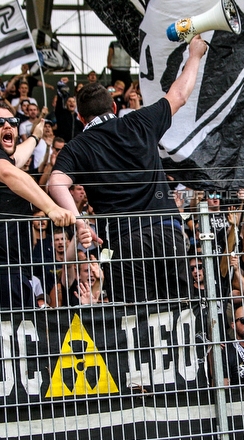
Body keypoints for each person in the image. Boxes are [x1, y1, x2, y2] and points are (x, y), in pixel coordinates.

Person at [48, 35, 208, 304]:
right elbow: (179, 94)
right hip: (167, 232)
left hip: (124, 243)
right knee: (182, 315)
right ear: (113, 107)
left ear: (80, 117)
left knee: (138, 322)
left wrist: (79, 221)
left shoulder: (77, 146)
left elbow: (55, 183)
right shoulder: (140, 120)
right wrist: (194, 55)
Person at [0, 105, 77, 310]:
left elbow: (18, 157)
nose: (8, 125)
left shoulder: (2, 159)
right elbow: (10, 173)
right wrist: (51, 208)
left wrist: (35, 137)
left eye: (13, 122)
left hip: (12, 272)